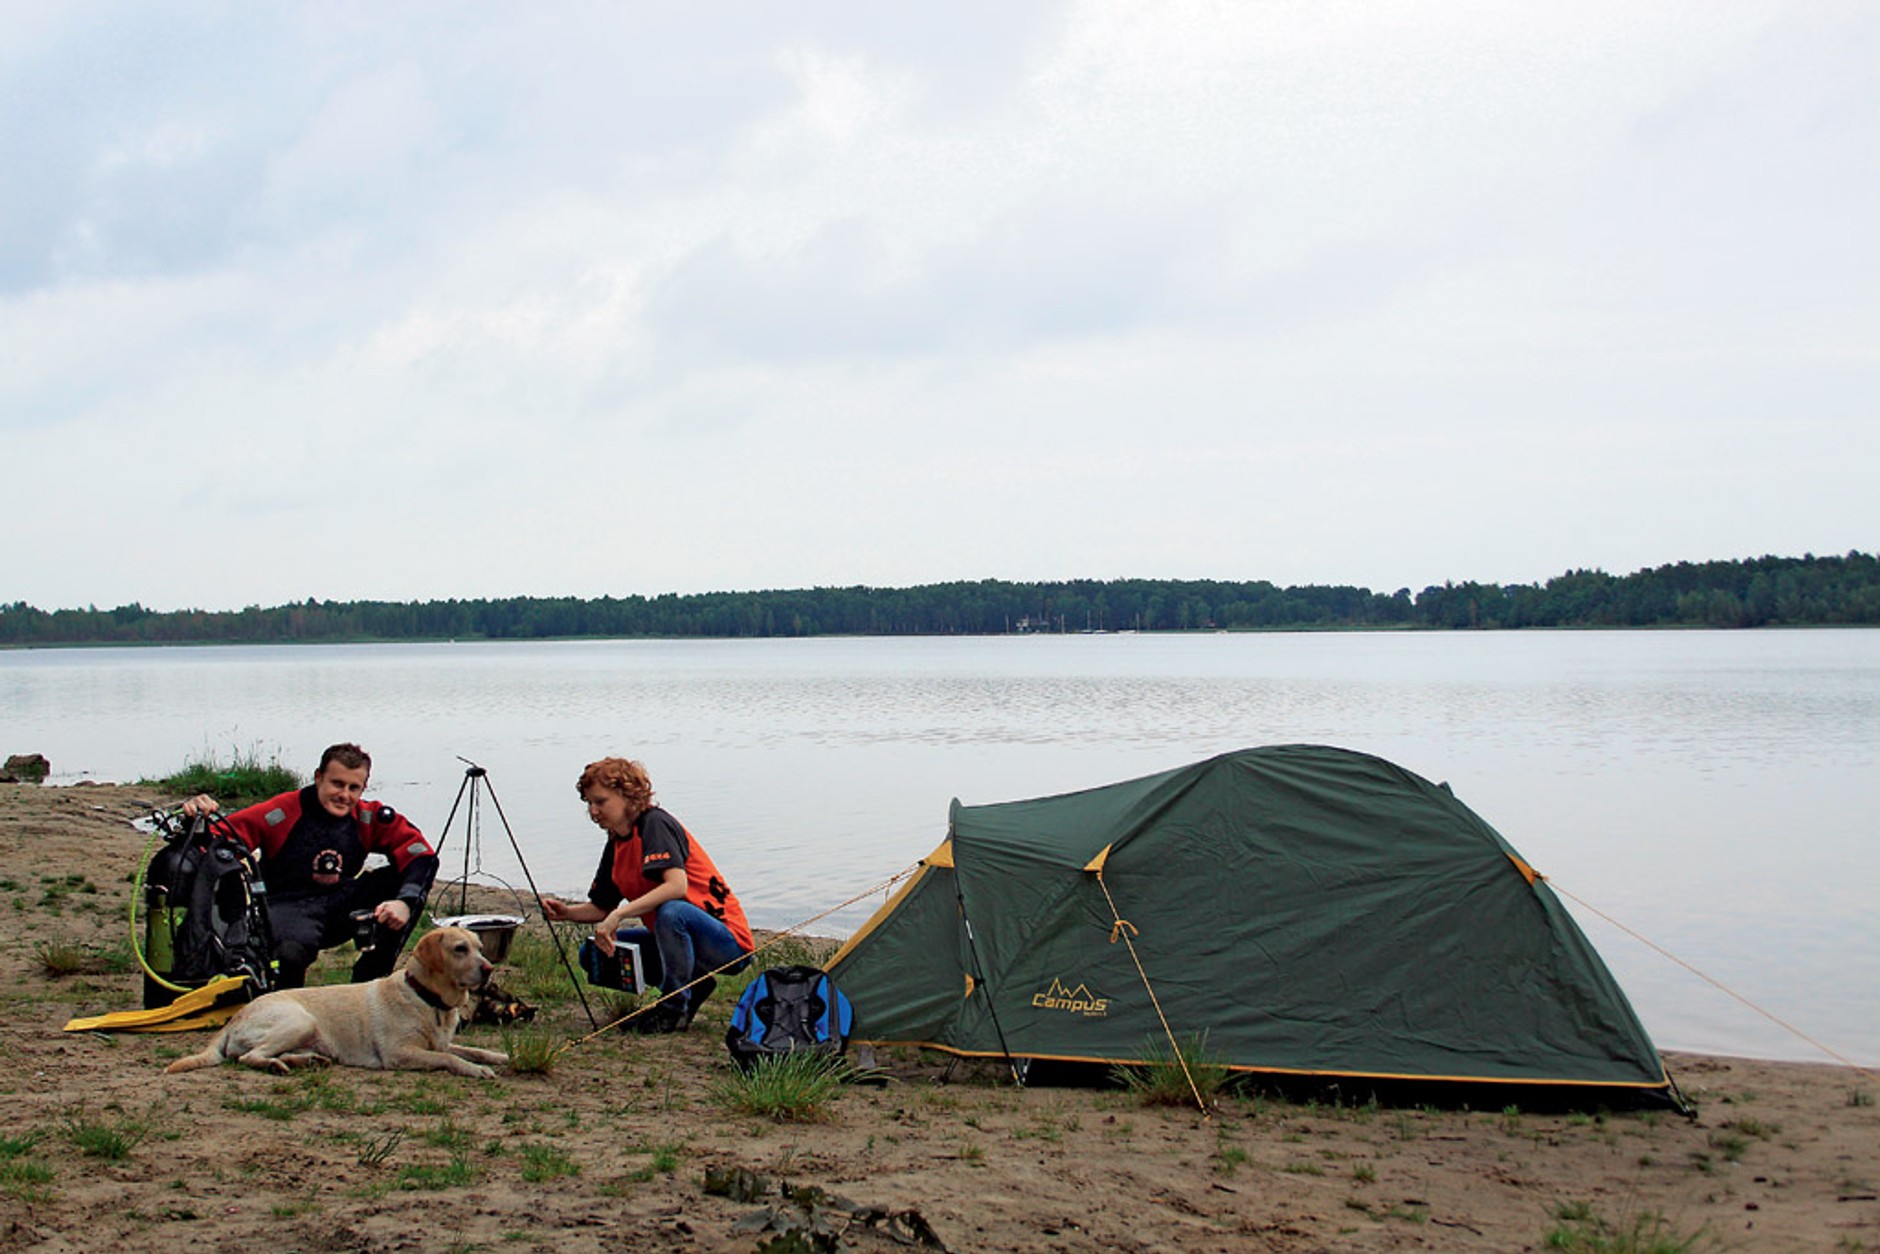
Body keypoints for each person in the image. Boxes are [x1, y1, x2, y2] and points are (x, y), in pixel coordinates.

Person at [181, 742, 439, 989]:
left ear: (364, 787)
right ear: (318, 777)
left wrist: (404, 902)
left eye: (354, 788)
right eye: (337, 784)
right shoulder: (281, 811)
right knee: (290, 958)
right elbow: (217, 841)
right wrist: (196, 815)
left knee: (405, 884)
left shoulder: (369, 817)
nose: (344, 795)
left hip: (340, 905)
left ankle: (369, 981)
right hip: (286, 908)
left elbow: (422, 855)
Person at [542, 757, 754, 1034]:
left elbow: (676, 886)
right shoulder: (616, 842)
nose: (593, 811)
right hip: (676, 937)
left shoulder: (655, 824)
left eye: (601, 802)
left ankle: (672, 1010)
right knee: (592, 953)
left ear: (627, 796)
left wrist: (620, 915)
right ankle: (695, 983)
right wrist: (566, 913)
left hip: (728, 943)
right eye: (589, 804)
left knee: (672, 912)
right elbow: (601, 907)